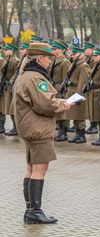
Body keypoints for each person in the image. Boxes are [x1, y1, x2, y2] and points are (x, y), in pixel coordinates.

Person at [13, 42, 73, 224]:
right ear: (39, 59)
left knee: (31, 168)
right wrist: (65, 104)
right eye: (48, 58)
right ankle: (34, 211)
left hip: (30, 127)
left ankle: (30, 210)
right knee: (40, 168)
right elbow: (46, 104)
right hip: (38, 129)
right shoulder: (35, 78)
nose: (49, 61)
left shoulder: (26, 76)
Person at [64, 45, 91, 144]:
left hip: (78, 93)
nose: (72, 55)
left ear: (81, 54)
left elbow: (83, 82)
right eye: (72, 53)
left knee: (80, 116)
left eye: (75, 54)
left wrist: (79, 96)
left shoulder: (83, 65)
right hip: (71, 91)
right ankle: (77, 134)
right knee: (75, 116)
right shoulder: (74, 64)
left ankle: (82, 135)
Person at [50, 40, 71, 142]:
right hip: (54, 87)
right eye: (53, 49)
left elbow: (66, 78)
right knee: (57, 111)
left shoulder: (65, 62)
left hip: (61, 88)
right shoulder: (54, 60)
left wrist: (63, 90)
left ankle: (64, 133)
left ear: (62, 50)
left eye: (55, 49)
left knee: (63, 111)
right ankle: (60, 131)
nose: (53, 51)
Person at [86, 47, 100, 146]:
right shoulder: (96, 65)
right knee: (97, 116)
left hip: (99, 92)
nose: (94, 57)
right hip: (93, 92)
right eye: (94, 55)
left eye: (96, 55)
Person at [1, 43, 21, 136]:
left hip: (11, 87)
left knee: (12, 108)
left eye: (6, 50)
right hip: (5, 86)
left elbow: (16, 74)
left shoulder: (16, 61)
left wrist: (10, 83)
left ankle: (16, 128)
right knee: (6, 107)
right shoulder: (7, 60)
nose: (4, 51)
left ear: (12, 51)